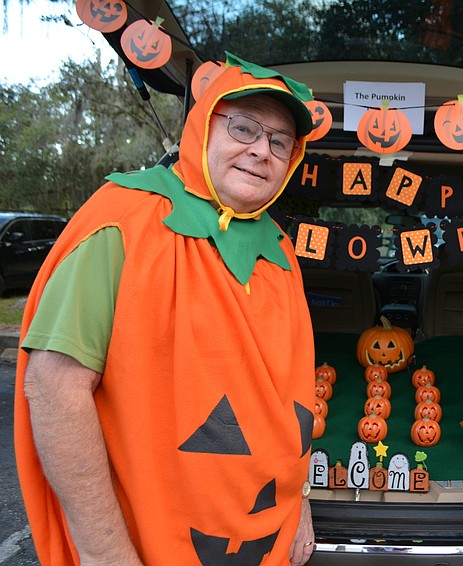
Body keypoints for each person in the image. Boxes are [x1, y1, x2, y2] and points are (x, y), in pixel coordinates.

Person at [15, 53, 319, 565]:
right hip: (148, 544)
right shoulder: (122, 222)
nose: (261, 151)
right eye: (244, 128)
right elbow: (54, 389)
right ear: (202, 127)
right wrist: (107, 555)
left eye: (279, 141)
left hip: (266, 536)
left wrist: (300, 497)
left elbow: (291, 400)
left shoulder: (280, 251)